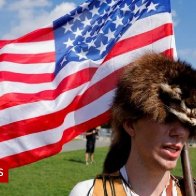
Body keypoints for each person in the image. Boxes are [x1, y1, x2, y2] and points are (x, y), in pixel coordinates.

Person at [69, 53, 196, 196]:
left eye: (187, 124)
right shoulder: (89, 193)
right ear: (130, 125)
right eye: (167, 119)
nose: (179, 132)